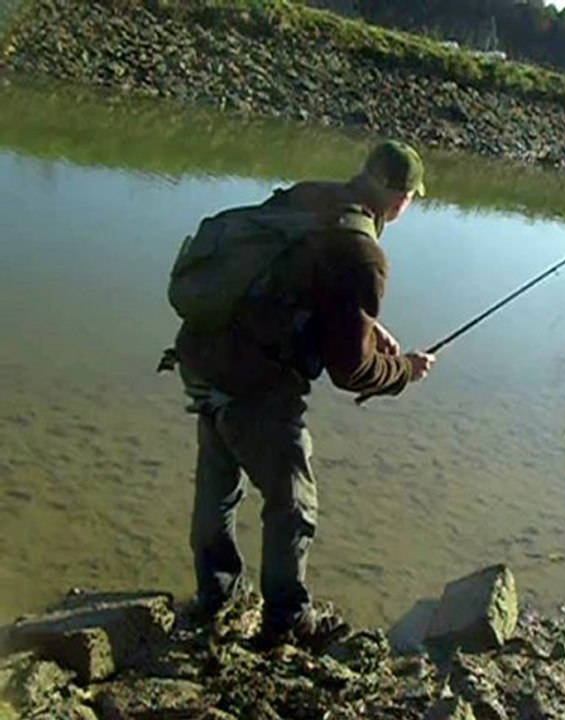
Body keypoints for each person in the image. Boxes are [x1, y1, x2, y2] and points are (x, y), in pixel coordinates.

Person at [169, 140, 436, 650]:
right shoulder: (364, 253)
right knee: (293, 501)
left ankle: (215, 595)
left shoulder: (309, 196)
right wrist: (403, 370)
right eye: (412, 197)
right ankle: (286, 619)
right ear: (399, 198)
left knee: (218, 481)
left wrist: (367, 327)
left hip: (203, 354)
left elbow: (291, 281)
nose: (409, 206)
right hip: (256, 383)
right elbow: (350, 370)